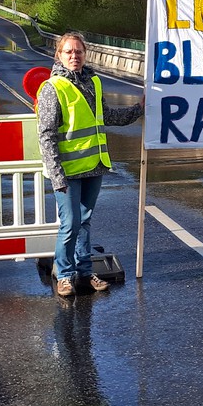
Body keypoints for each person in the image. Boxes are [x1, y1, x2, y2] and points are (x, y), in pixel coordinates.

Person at [37, 32, 144, 297]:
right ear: (59, 55)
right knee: (70, 224)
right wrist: (56, 174)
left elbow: (106, 116)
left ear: (86, 54)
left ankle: (85, 272)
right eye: (69, 52)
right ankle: (64, 275)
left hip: (93, 166)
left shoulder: (94, 82)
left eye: (79, 51)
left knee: (84, 221)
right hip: (67, 170)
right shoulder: (53, 87)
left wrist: (138, 109)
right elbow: (46, 134)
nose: (74, 56)